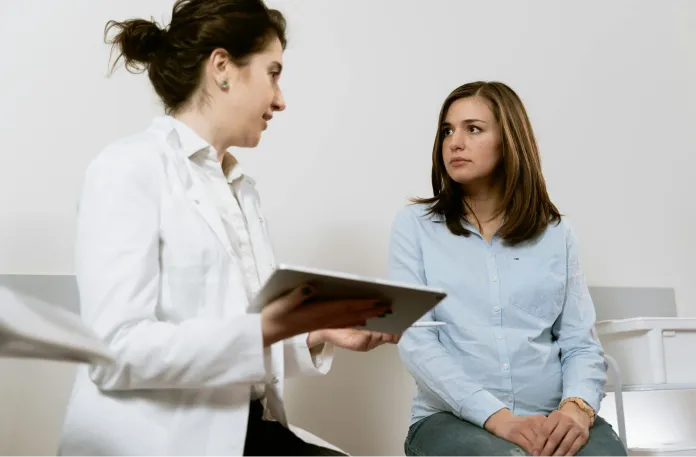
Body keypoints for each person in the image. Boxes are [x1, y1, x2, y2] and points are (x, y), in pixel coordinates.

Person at [58, 1, 398, 456]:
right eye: (272, 73)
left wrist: (317, 332)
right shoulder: (126, 168)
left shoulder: (239, 188)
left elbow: (236, 337)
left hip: (242, 430)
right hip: (160, 440)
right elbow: (115, 351)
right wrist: (263, 327)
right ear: (222, 68)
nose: (280, 99)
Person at [389, 81, 626, 457]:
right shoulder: (415, 226)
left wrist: (577, 408)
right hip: (452, 419)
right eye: (447, 130)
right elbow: (416, 343)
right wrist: (499, 418)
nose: (454, 142)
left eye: (473, 129)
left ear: (509, 140)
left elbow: (580, 342)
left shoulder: (556, 233)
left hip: (552, 415)